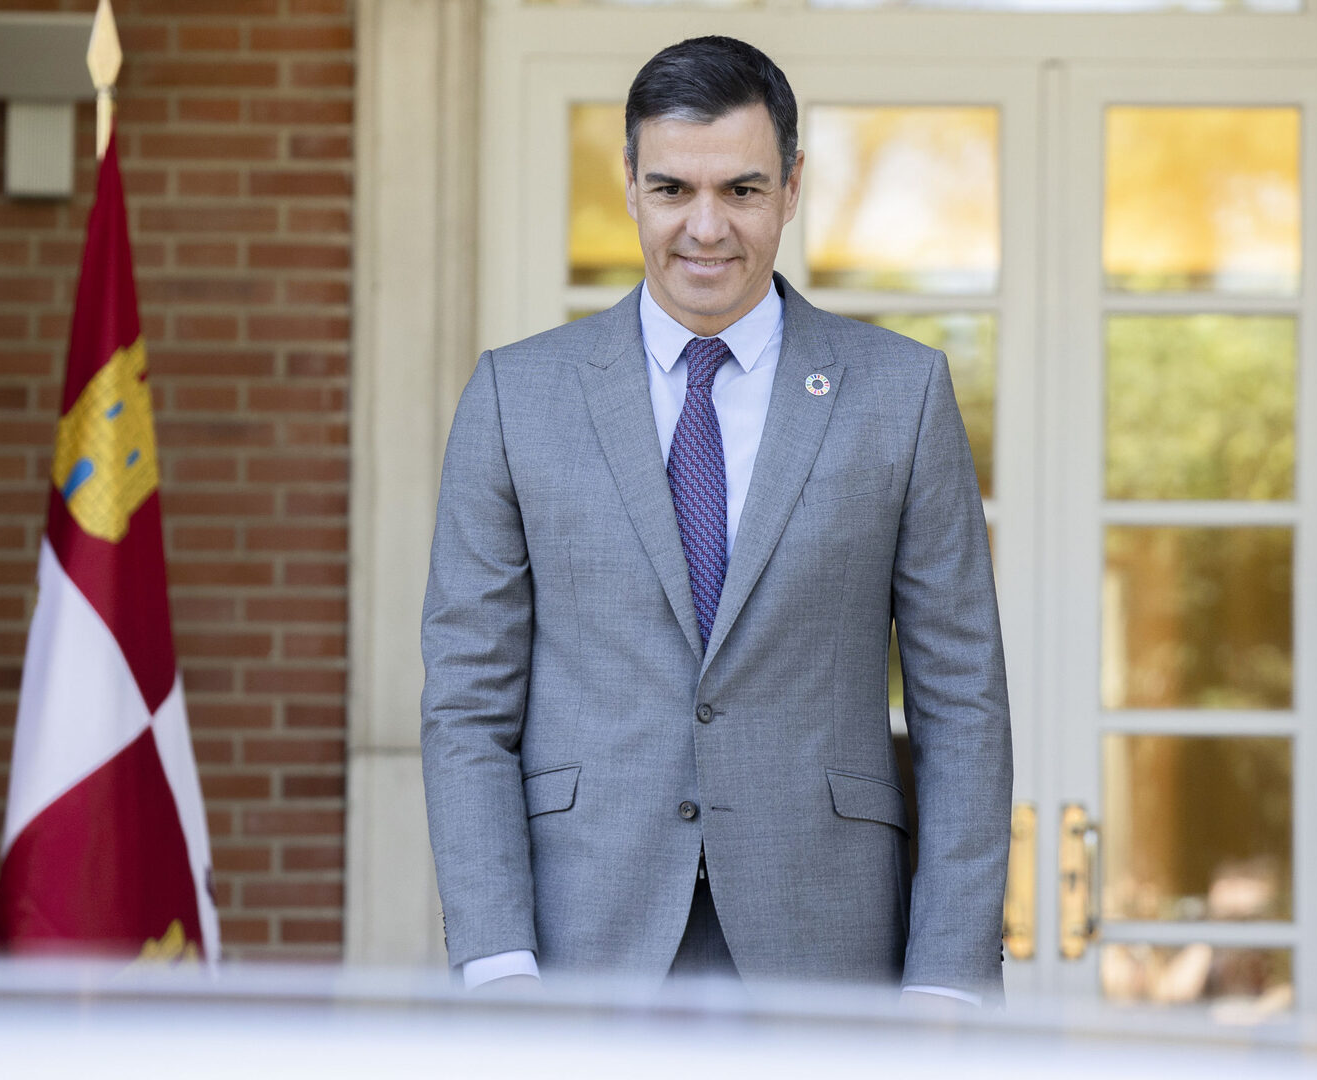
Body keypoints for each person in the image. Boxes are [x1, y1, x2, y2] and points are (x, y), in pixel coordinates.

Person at [419, 35, 1012, 1006]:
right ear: (628, 185)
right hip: (577, 948)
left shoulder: (900, 394)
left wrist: (948, 979)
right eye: (671, 190)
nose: (704, 228)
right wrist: (494, 958)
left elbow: (962, 704)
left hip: (827, 945)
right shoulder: (513, 397)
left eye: (740, 190)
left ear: (791, 186)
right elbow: (466, 702)